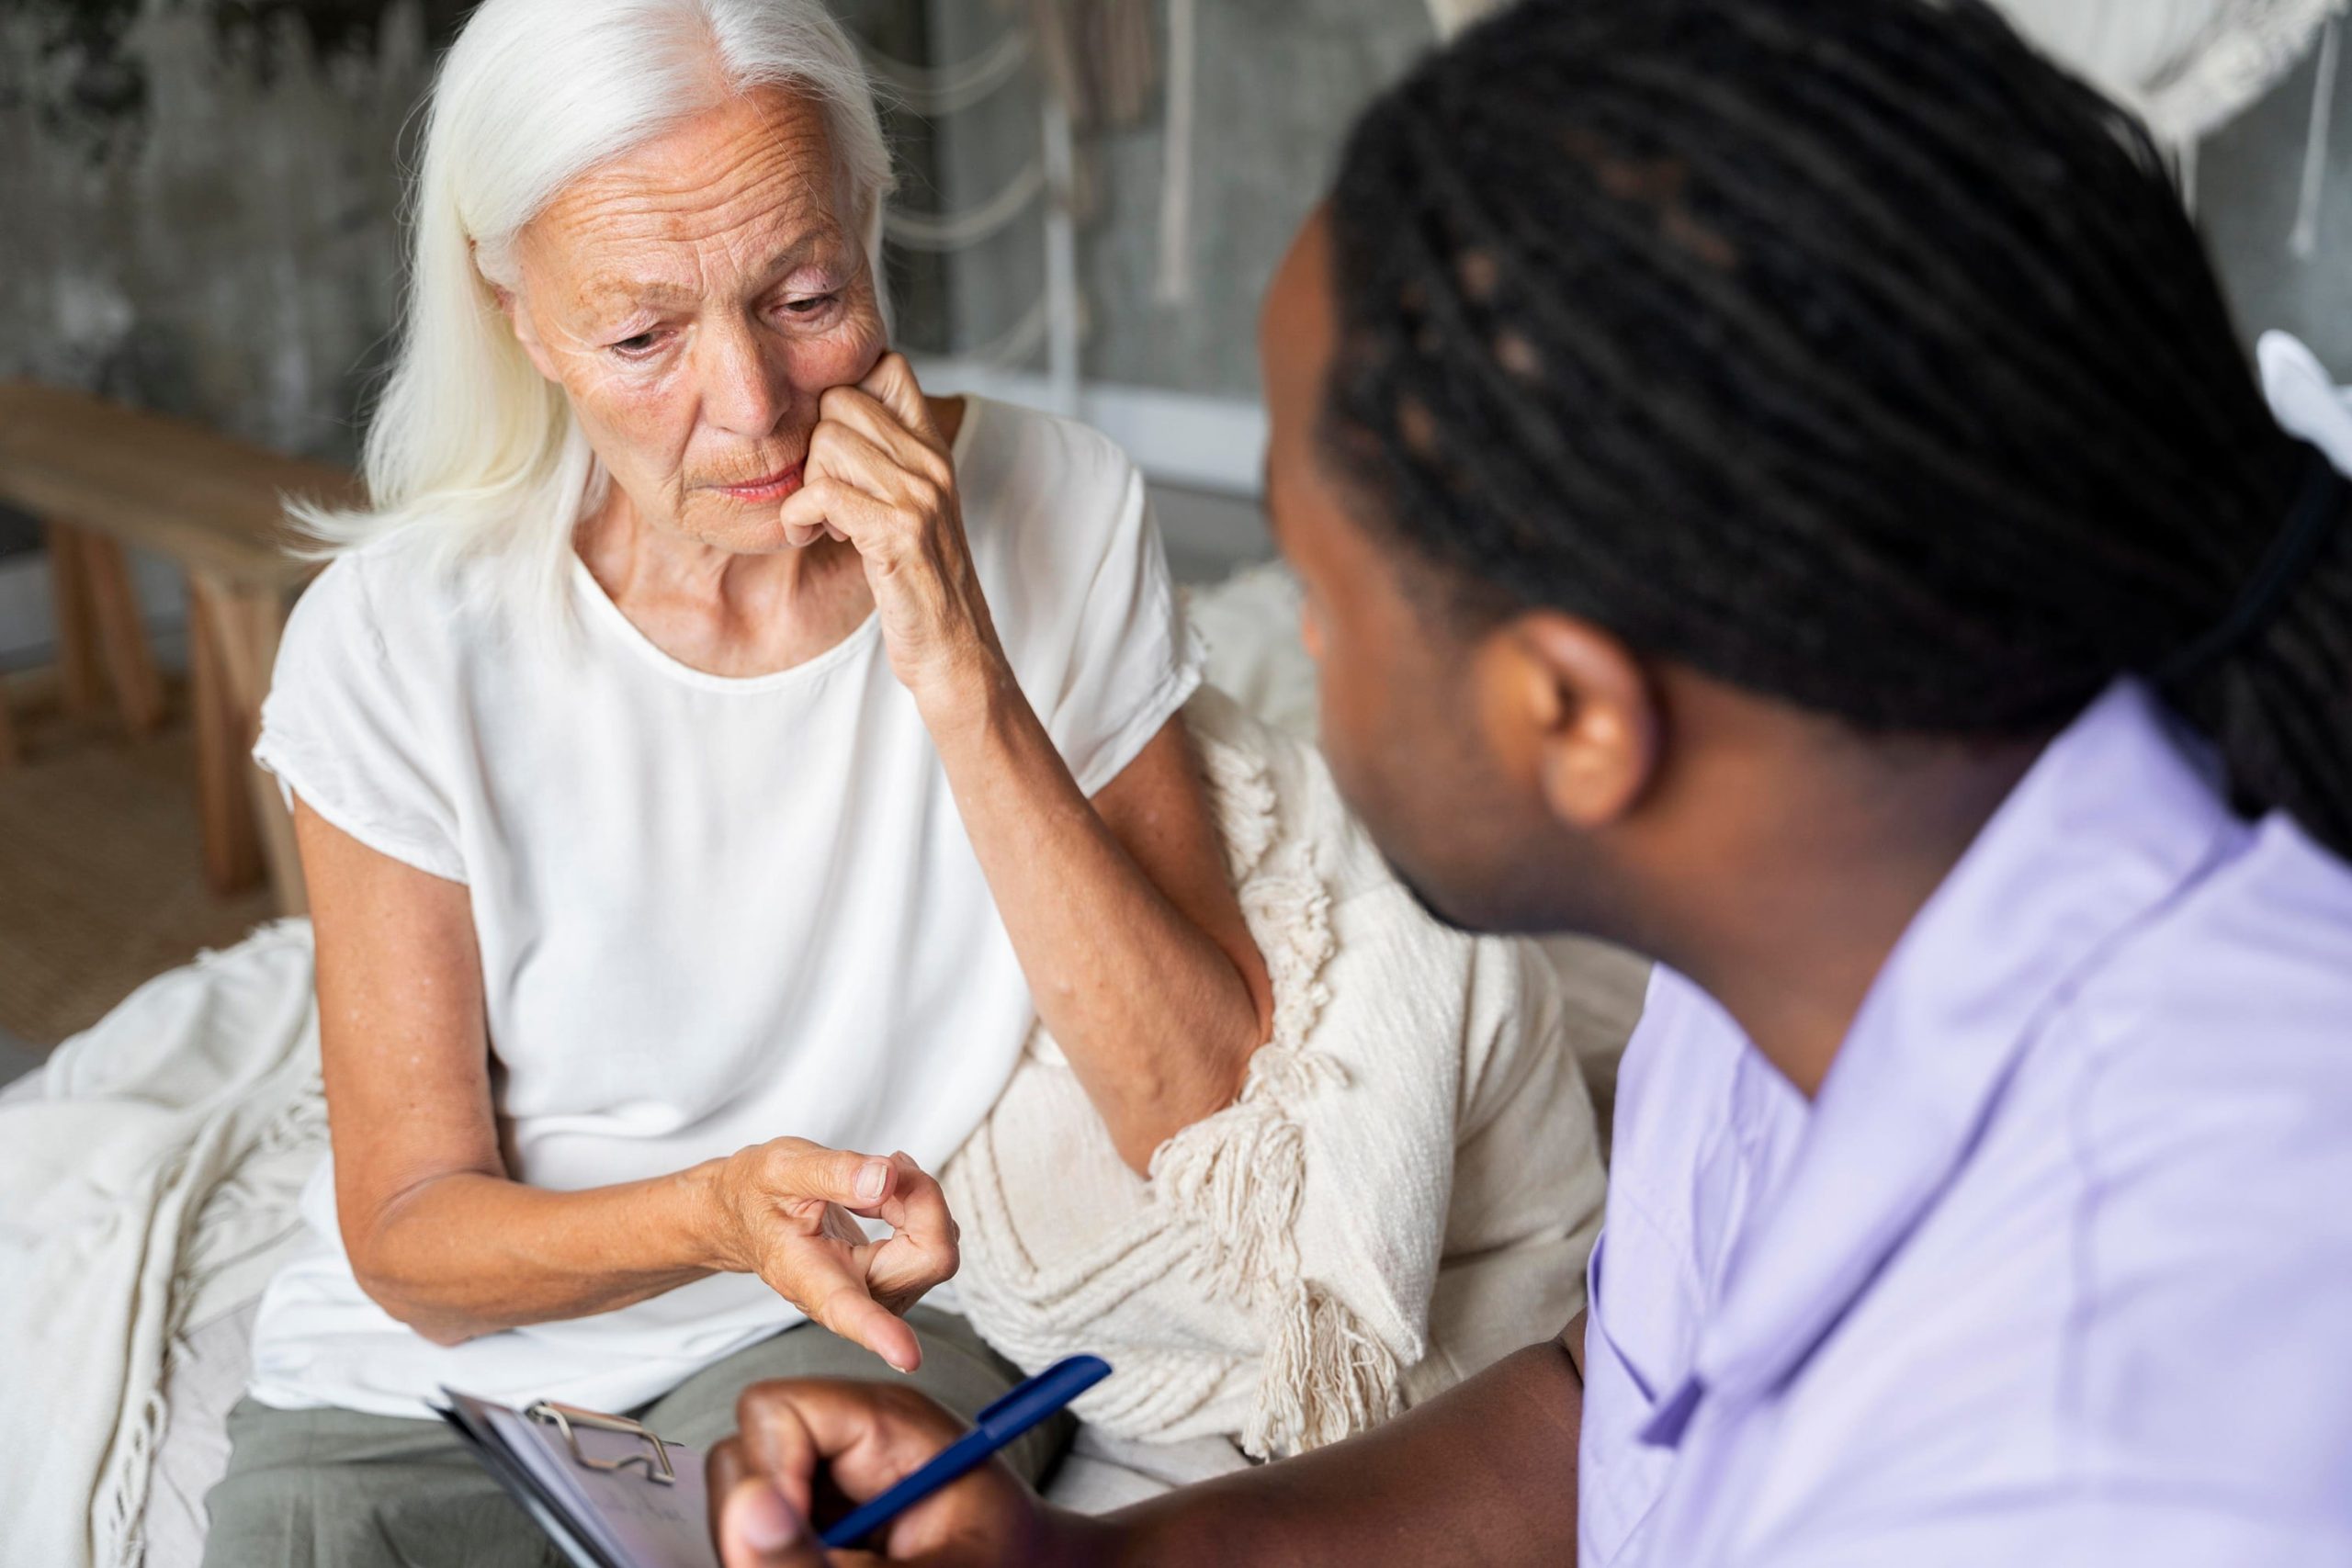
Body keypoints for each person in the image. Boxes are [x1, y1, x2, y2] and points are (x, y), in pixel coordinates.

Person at [707, 0, 2352, 1562]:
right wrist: (1074, 1560)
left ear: (1575, 717)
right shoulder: (1814, 926)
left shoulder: (2124, 1418)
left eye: (1323, 593)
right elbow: (1605, 1432)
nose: (1303, 657)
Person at [199, 1, 1282, 1562]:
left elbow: (1199, 1106)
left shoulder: (1062, 507)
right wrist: (715, 1217)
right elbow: (413, 1241)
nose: (756, 404)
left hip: (838, 1335)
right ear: (522, 314)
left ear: (865, 217)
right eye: (643, 337)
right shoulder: (395, 640)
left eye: (806, 294)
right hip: (423, 1389)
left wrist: (956, 653)